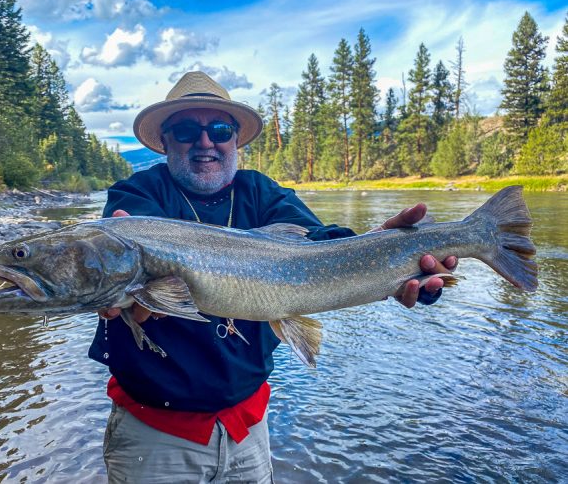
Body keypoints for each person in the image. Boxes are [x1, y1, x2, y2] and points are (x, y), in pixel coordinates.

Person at [89, 71, 457, 483]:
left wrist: (391, 256)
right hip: (153, 434)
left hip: (247, 426)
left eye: (220, 129)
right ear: (164, 141)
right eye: (188, 130)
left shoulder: (262, 193)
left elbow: (322, 245)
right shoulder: (136, 197)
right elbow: (118, 265)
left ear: (235, 140)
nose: (206, 142)